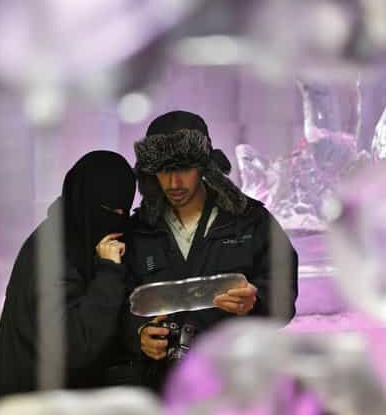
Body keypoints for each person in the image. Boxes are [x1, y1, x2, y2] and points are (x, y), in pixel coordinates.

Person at [124, 110, 299, 391]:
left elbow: (284, 293)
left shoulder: (252, 221)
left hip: (236, 386)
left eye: (184, 169)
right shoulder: (139, 231)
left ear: (205, 167)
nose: (174, 183)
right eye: (164, 171)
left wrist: (257, 302)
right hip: (163, 389)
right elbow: (119, 304)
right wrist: (138, 335)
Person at [0, 151, 136, 407]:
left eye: (123, 211)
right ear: (83, 202)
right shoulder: (50, 253)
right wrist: (109, 272)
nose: (115, 219)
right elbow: (74, 347)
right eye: (106, 209)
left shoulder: (74, 241)